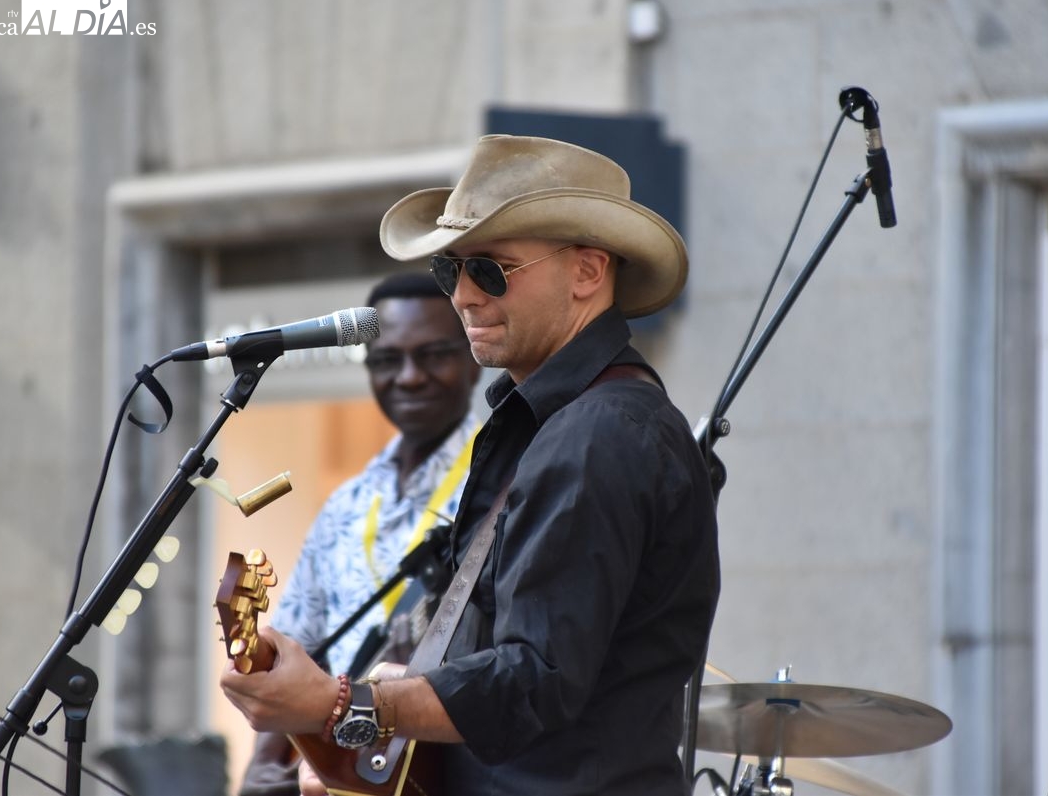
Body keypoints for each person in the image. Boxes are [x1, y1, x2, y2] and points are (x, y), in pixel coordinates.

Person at [223, 134, 721, 796]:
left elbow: (532, 679)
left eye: (490, 269)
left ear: (587, 271)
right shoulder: (558, 425)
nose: (461, 295)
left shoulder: (599, 434)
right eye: (448, 270)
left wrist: (340, 703)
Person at [238, 271, 482, 796]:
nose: (410, 377)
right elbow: (298, 644)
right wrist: (264, 766)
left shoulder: (502, 482)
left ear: (472, 363)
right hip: (348, 777)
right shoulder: (345, 505)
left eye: (434, 354)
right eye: (389, 360)